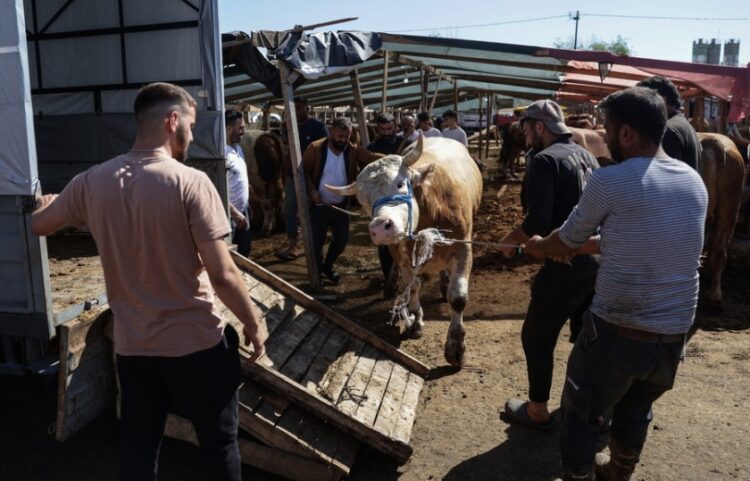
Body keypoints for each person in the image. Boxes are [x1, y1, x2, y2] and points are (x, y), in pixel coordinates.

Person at [30, 82, 268, 481]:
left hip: (135, 350)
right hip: (197, 347)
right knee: (219, 445)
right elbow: (222, 273)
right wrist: (254, 322)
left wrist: (46, 203)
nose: (191, 135)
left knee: (140, 450)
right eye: (190, 125)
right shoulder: (190, 183)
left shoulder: (91, 182)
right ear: (172, 121)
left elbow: (39, 225)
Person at [525, 87, 707, 481]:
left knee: (580, 412)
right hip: (673, 337)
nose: (602, 137)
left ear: (626, 133)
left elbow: (566, 239)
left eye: (607, 128)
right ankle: (619, 473)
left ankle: (579, 475)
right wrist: (582, 245)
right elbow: (649, 238)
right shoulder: (693, 181)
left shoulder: (611, 180)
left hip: (618, 333)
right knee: (636, 408)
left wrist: (541, 247)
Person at [498, 99, 600, 431]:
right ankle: (592, 409)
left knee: (537, 336)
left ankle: (538, 410)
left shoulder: (543, 161)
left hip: (564, 261)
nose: (524, 136)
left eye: (526, 129)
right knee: (587, 338)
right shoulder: (585, 155)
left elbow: (537, 221)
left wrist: (509, 241)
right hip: (594, 262)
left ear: (539, 127)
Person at [302, 116, 382, 284]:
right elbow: (305, 172)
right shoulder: (315, 148)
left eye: (347, 136)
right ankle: (317, 275)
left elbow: (370, 157)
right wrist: (312, 191)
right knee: (317, 242)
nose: (343, 140)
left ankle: (328, 265)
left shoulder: (352, 150)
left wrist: (393, 158)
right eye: (340, 136)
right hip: (320, 204)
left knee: (342, 239)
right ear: (331, 132)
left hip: (340, 205)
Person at [276, 96, 328, 261]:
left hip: (312, 176)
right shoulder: (289, 127)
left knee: (312, 211)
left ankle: (314, 244)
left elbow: (325, 151)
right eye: (292, 110)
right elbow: (288, 151)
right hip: (293, 175)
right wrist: (284, 173)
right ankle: (293, 245)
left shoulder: (318, 127)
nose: (296, 112)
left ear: (307, 108)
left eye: (298, 108)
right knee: (290, 210)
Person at [366, 113, 401, 298]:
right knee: (383, 240)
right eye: (383, 129)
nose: (387, 132)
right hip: (382, 201)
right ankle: (388, 276)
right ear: (377, 129)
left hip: (403, 198)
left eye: (390, 128)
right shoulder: (372, 148)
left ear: (395, 126)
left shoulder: (404, 144)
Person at [637, 76, 702, 173]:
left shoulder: (668, 130)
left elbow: (666, 177)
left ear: (662, 99)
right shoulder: (682, 124)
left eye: (644, 101)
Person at [225, 109, 252, 257]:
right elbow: (216, 189)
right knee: (232, 256)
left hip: (244, 212)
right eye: (240, 127)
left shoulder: (238, 149)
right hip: (229, 217)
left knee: (245, 252)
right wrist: (234, 212)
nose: (243, 131)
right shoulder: (221, 154)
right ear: (229, 128)